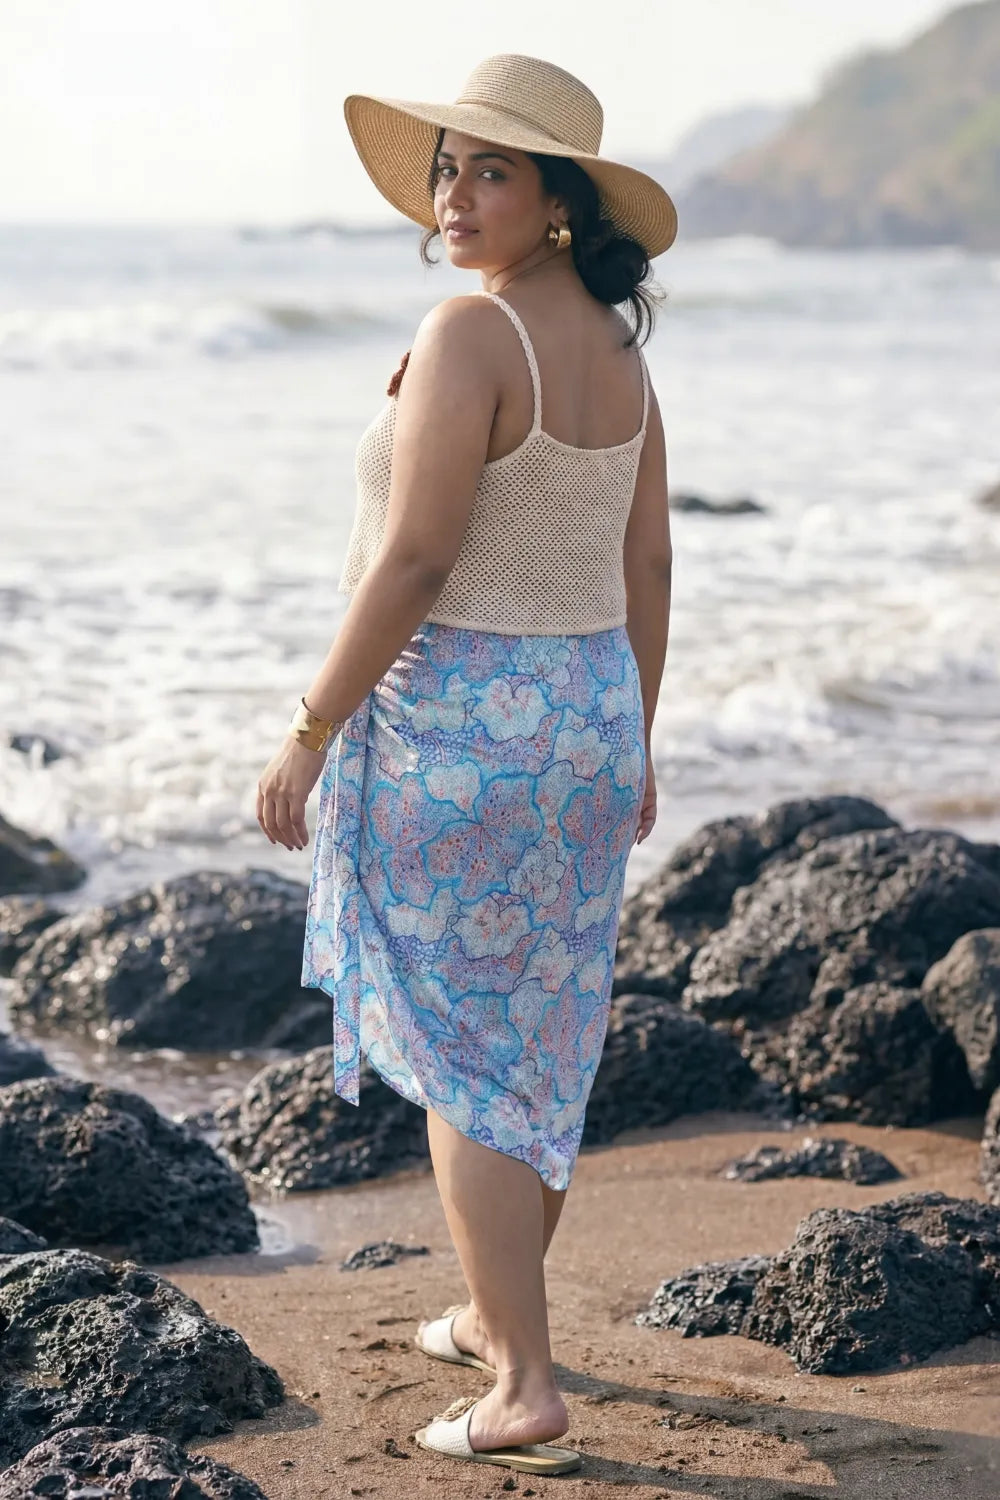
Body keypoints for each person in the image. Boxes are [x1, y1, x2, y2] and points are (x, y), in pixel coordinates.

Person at [256, 52, 674, 1479]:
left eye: (491, 169)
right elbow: (643, 558)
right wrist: (637, 735)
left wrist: (309, 729)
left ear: (558, 200)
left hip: (461, 735)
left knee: (468, 1067)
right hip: (584, 715)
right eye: (447, 166)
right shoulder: (614, 347)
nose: (454, 193)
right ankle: (500, 1321)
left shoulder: (468, 335)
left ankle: (525, 1388)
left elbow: (421, 558)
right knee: (537, 1044)